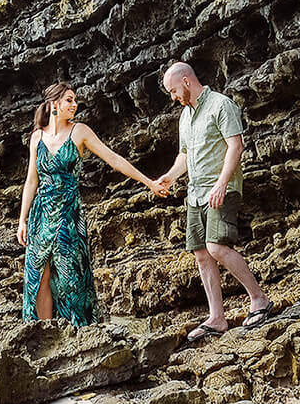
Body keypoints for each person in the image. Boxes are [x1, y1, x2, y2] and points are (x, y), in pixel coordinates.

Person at [18, 80, 163, 325]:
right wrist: (21, 220)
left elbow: (114, 159)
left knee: (69, 275)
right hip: (40, 214)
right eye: (69, 100)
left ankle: (77, 329)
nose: (74, 105)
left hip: (68, 214)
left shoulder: (80, 132)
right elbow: (31, 181)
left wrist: (148, 182)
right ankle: (44, 330)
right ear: (54, 104)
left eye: (75, 100)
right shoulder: (36, 138)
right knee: (39, 274)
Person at [153, 62, 272, 341]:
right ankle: (217, 318)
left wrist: (221, 184)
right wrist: (170, 177)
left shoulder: (221, 104)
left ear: (186, 81)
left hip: (222, 189)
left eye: (172, 91)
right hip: (195, 192)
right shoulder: (185, 115)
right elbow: (185, 155)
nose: (172, 97)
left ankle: (259, 300)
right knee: (202, 254)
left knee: (217, 247)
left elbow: (236, 146)